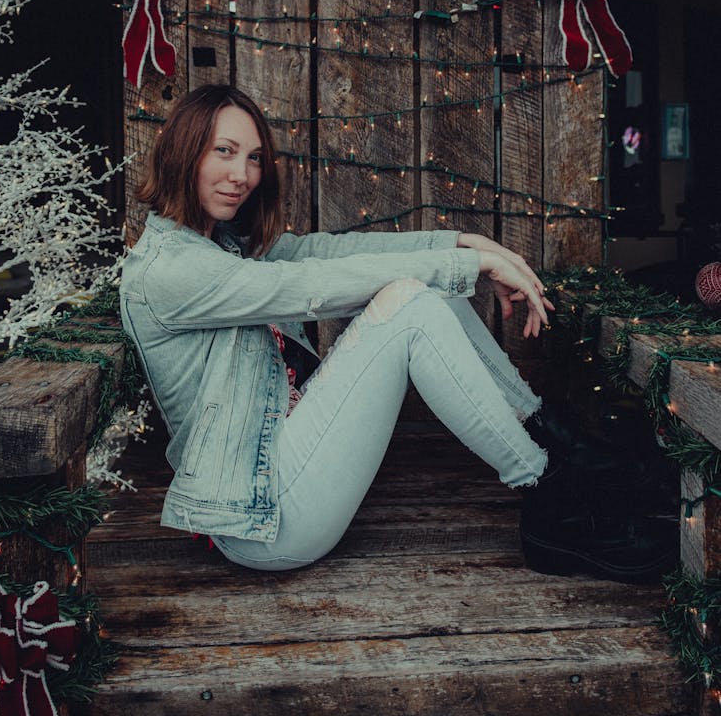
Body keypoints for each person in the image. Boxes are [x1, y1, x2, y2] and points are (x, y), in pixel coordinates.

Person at [119, 83, 554, 571]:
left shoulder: (220, 242)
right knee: (411, 302)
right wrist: (473, 265)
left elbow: (324, 254)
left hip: (287, 463)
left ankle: (542, 432)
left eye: (255, 158)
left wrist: (462, 244)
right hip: (266, 520)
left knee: (421, 287)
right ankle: (548, 490)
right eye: (224, 151)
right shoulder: (171, 270)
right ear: (183, 152)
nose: (242, 175)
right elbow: (308, 281)